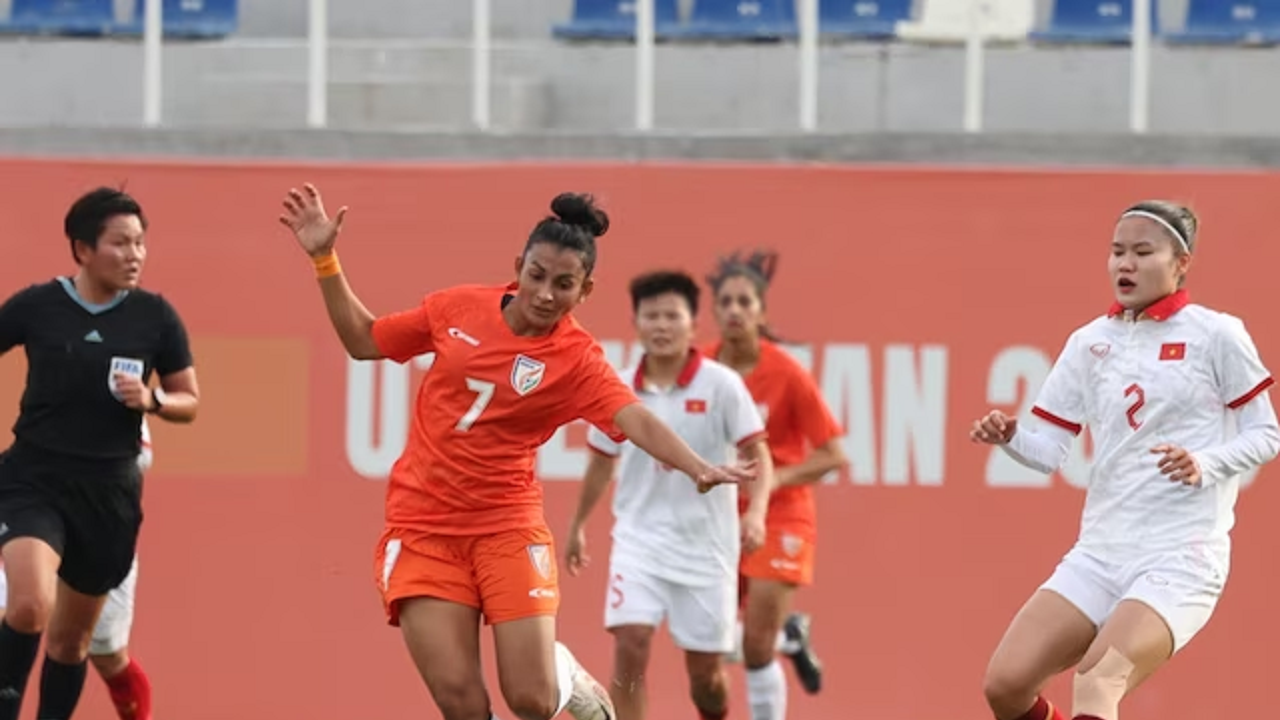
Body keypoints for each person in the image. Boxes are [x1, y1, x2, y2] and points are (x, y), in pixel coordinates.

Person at [278, 183, 757, 720]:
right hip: (423, 530)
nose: (546, 294)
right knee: (462, 704)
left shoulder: (577, 359)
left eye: (565, 285)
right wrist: (324, 259)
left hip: (507, 528)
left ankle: (568, 681)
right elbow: (364, 340)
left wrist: (696, 466)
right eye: (537, 276)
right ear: (518, 266)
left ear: (586, 291)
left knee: (529, 698)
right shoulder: (456, 307)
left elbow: (633, 416)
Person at [972, 200, 1280, 720]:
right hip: (1100, 553)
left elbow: (1266, 433)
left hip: (1180, 557)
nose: (1125, 265)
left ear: (1181, 263)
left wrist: (1204, 462)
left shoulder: (1216, 334)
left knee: (1097, 680)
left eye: (1143, 252)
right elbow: (1050, 452)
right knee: (1005, 685)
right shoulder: (1090, 342)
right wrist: (1010, 435)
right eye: (1117, 252)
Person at [0, 186, 199, 720]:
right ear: (82, 249)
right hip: (33, 480)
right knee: (27, 603)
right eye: (121, 243)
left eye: (140, 243)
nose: (134, 255)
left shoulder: (155, 317)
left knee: (72, 644)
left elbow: (190, 400)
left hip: (109, 493)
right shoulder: (39, 306)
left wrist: (154, 400)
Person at [564, 270, 774, 720]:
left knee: (707, 681)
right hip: (639, 542)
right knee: (630, 643)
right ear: (636, 323)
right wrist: (579, 525)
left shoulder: (721, 385)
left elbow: (759, 454)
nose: (661, 325)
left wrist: (756, 513)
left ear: (693, 324)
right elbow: (602, 463)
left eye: (672, 316)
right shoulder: (616, 386)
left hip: (707, 549)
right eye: (651, 316)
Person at [704, 249, 847, 720]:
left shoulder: (786, 373)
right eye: (725, 302)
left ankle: (780, 640)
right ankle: (791, 633)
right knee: (715, 644)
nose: (734, 311)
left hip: (781, 514)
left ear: (762, 312)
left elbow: (833, 455)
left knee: (756, 646)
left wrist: (770, 480)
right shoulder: (699, 369)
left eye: (745, 302)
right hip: (716, 517)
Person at [0, 417, 154, 720]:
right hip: (28, 513)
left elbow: (139, 458)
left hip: (97, 527)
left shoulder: (117, 389)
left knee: (105, 653)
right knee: (16, 617)